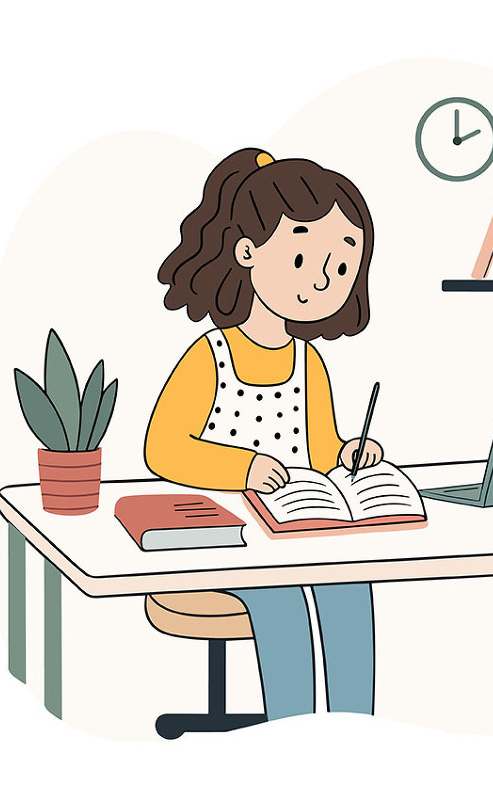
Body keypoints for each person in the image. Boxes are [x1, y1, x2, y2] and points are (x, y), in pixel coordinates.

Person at [145, 148, 381, 720]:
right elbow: (162, 449)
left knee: (351, 591)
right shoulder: (212, 355)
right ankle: (291, 732)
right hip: (222, 540)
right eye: (305, 257)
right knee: (279, 603)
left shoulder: (308, 361)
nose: (326, 279)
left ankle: (354, 730)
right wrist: (243, 468)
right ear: (247, 252)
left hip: (297, 531)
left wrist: (350, 453)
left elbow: (319, 451)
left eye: (343, 266)